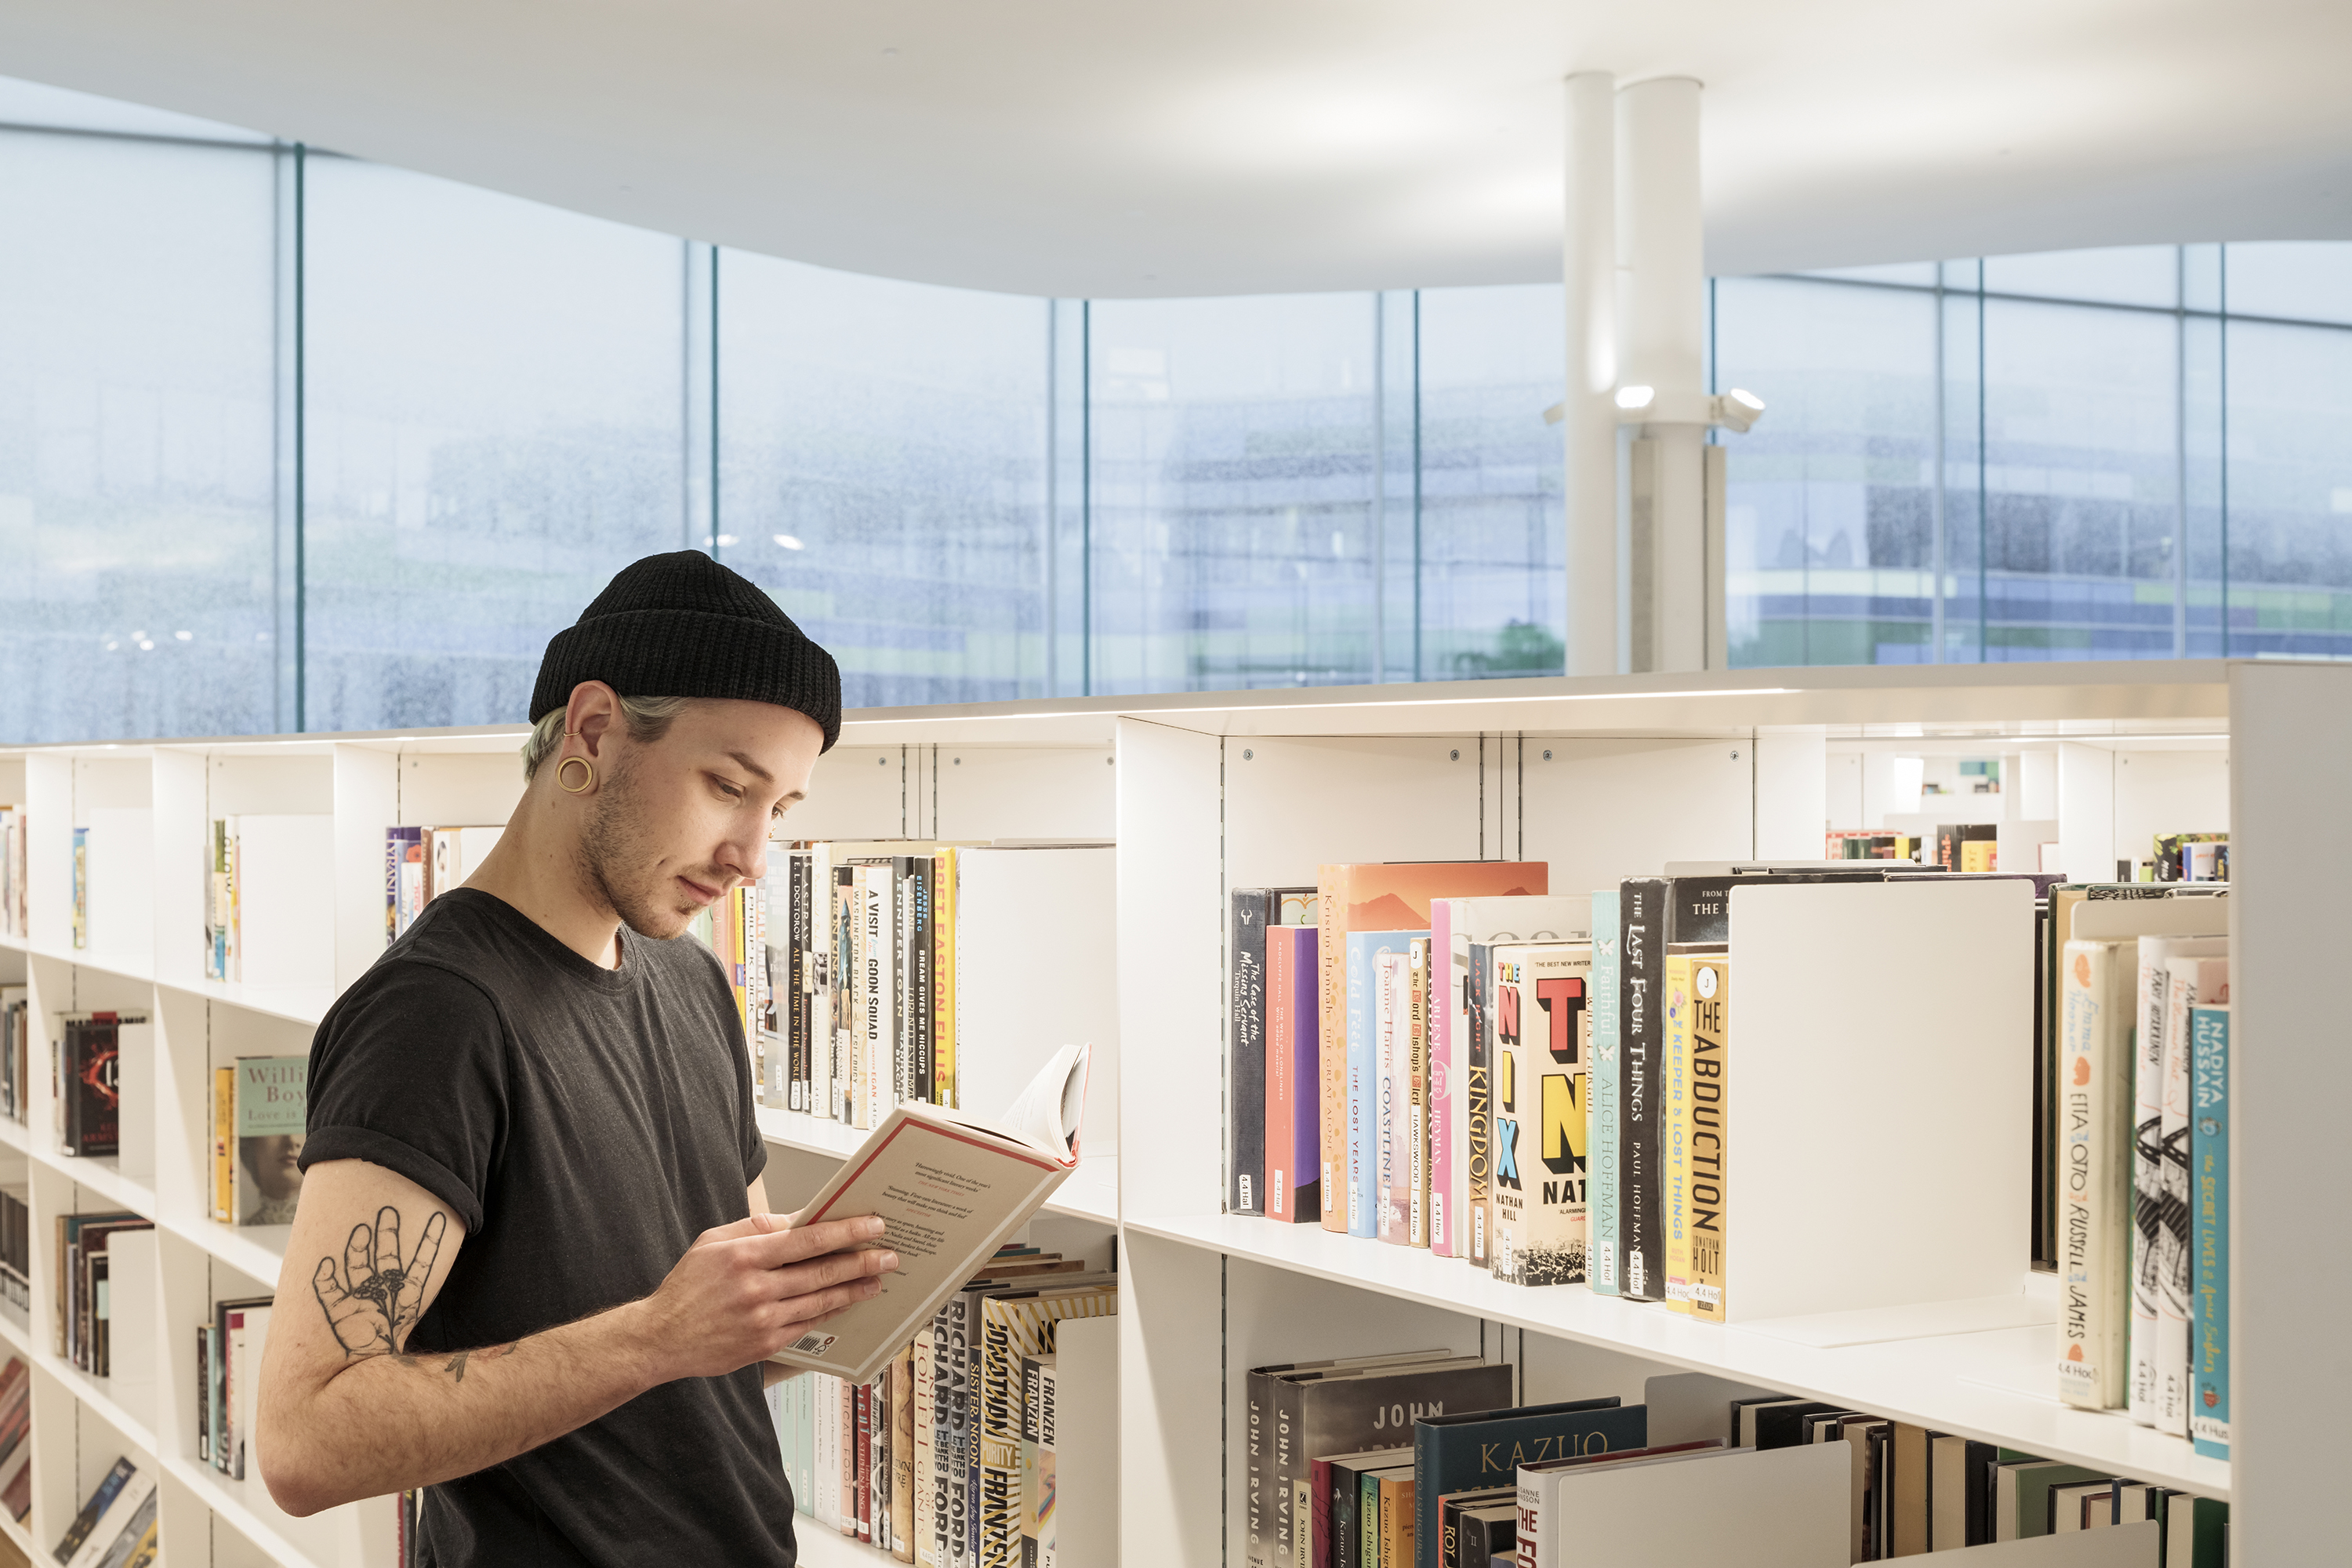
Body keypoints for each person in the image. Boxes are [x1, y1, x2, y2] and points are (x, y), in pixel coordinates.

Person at [256, 552, 889, 1566]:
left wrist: (823, 1289)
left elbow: (711, 1344)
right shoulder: (435, 1015)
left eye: (781, 811)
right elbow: (305, 1441)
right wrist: (656, 1335)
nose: (751, 855)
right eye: (729, 785)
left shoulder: (688, 981)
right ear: (592, 732)